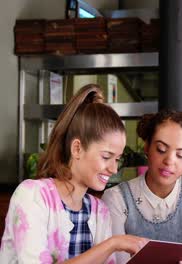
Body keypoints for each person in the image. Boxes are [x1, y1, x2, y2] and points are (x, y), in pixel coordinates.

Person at [0, 84, 148, 263]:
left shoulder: (99, 211)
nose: (114, 169)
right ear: (77, 148)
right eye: (106, 156)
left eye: (117, 159)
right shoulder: (32, 195)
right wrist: (112, 244)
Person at [102, 110, 182, 264]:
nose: (169, 161)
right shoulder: (116, 198)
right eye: (161, 149)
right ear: (147, 147)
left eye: (181, 155)